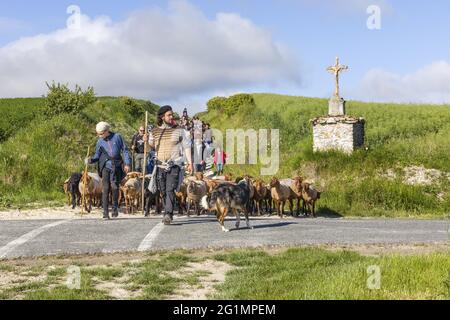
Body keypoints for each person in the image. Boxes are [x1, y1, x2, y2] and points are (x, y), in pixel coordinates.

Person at [145, 106, 193, 225]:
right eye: (169, 115)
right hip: (160, 165)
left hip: (174, 164)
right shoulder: (155, 131)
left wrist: (190, 163)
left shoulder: (179, 130)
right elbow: (149, 148)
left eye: (172, 115)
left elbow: (187, 147)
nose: (171, 117)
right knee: (163, 191)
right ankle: (168, 209)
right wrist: (145, 140)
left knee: (170, 189)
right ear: (162, 117)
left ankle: (168, 214)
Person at [86, 122, 131, 220]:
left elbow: (125, 150)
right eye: (98, 134)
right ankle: (105, 212)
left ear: (107, 131)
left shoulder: (117, 137)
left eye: (101, 133)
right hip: (105, 166)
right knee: (105, 188)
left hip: (116, 165)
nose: (99, 136)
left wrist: (127, 163)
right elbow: (97, 156)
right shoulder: (99, 142)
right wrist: (90, 160)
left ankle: (115, 207)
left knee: (115, 187)